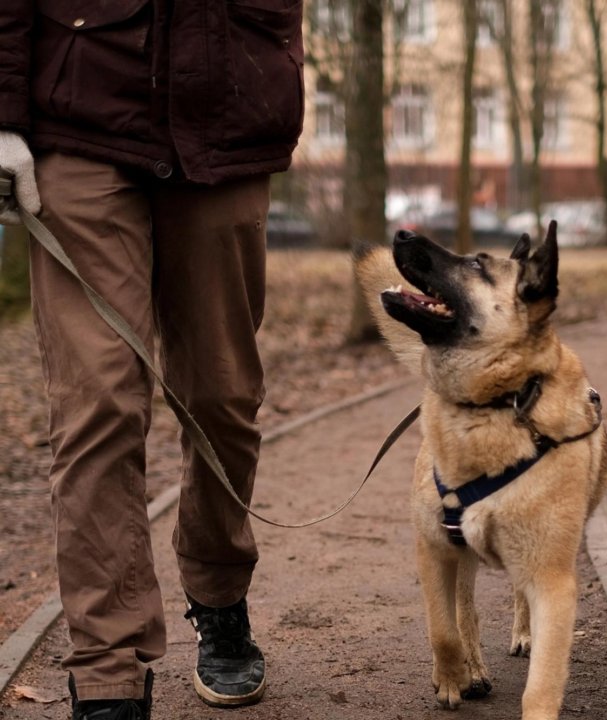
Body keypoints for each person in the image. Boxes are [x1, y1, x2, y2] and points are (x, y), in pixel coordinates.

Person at [0, 1, 305, 717]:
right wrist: (3, 117)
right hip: (79, 118)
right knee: (97, 402)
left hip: (231, 118)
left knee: (222, 398)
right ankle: (106, 671)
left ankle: (220, 592)